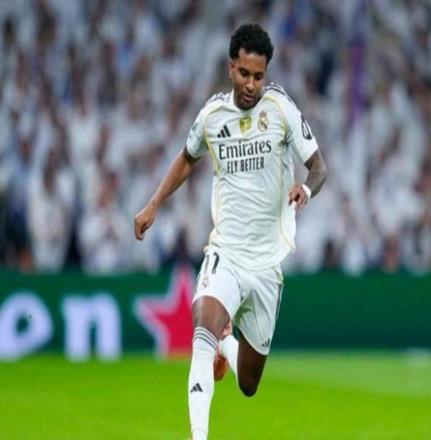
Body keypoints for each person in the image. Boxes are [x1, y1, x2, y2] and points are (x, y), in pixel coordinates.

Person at [134, 23, 327, 440]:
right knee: (201, 329)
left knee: (249, 384)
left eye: (259, 76)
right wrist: (153, 204)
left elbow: (319, 166)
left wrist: (306, 189)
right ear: (230, 68)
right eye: (244, 74)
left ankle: (227, 344)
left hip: (267, 263)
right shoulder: (212, 116)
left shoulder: (280, 109)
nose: (252, 85)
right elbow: (187, 158)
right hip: (226, 252)